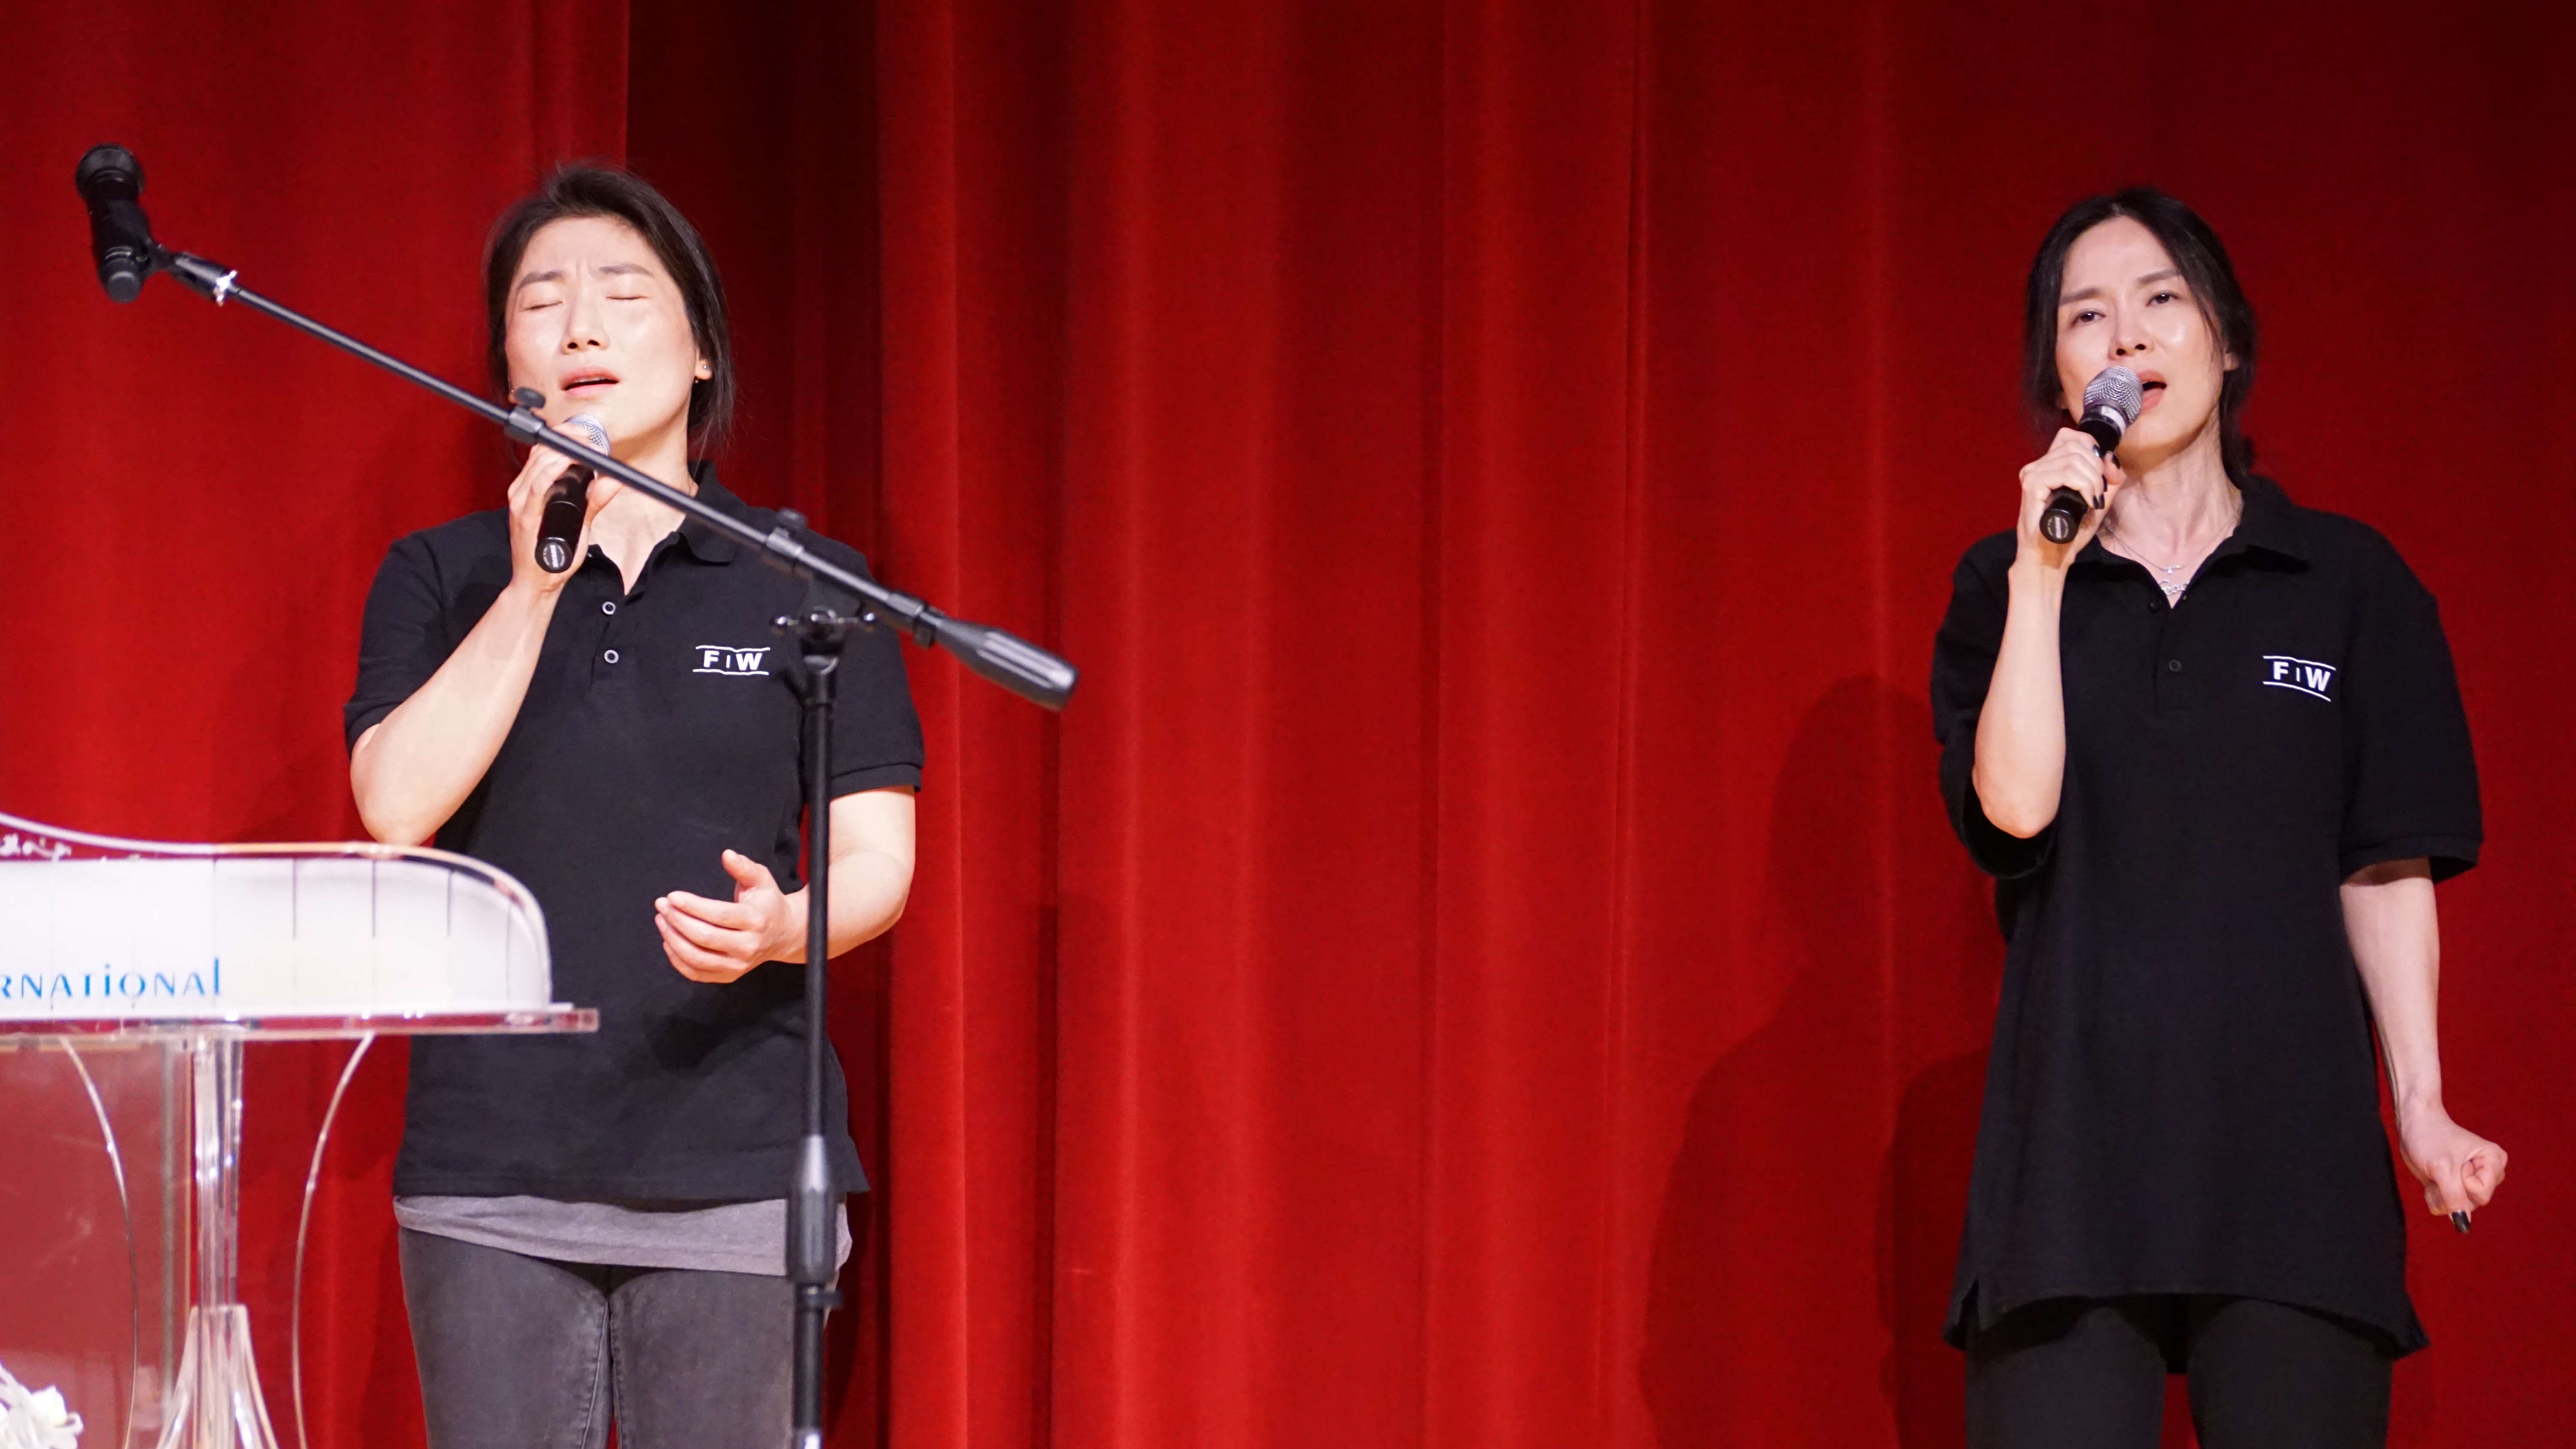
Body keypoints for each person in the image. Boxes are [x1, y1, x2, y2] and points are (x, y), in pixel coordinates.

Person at [344, 164, 923, 1449]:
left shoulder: (809, 581)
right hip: (492, 1172)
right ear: (508, 364)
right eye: (541, 302)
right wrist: (535, 583)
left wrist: (786, 929)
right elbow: (394, 804)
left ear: (702, 349)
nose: (580, 327)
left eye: (622, 293)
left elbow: (879, 856)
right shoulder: (441, 574)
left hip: (737, 1165)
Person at [1929, 188, 2508, 1449]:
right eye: (2086, 316)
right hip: (2071, 1168)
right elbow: (2013, 812)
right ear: (2060, 372)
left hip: (2293, 1157)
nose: (2126, 336)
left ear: (2227, 341)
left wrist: (2420, 1102)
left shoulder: (2348, 582)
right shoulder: (2007, 582)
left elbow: (2383, 862)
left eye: (2161, 300)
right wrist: (2042, 571)